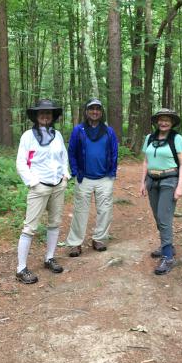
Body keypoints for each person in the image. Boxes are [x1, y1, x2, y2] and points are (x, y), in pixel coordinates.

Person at [15, 99, 70, 284]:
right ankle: (21, 268)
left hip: (57, 185)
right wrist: (33, 182)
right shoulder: (28, 136)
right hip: (39, 187)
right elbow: (21, 163)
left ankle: (49, 257)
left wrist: (65, 176)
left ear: (52, 116)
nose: (45, 116)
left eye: (48, 113)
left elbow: (64, 157)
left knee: (54, 222)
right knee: (30, 227)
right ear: (36, 116)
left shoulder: (58, 135)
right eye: (42, 113)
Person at [66, 98, 118, 256]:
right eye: (91, 109)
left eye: (98, 109)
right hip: (84, 178)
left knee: (105, 210)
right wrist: (75, 171)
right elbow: (72, 151)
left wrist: (112, 173)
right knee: (80, 211)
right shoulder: (78, 130)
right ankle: (75, 243)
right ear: (86, 111)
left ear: (102, 112)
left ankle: (99, 238)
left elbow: (114, 152)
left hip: (104, 177)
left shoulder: (109, 131)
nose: (95, 112)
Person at [140, 108, 182, 275]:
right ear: (156, 121)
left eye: (167, 119)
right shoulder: (150, 138)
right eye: (161, 119)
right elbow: (146, 161)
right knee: (157, 216)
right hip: (152, 181)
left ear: (172, 122)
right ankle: (168, 245)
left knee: (163, 217)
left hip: (170, 180)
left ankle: (168, 257)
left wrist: (180, 186)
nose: (164, 122)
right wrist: (142, 182)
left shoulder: (177, 138)